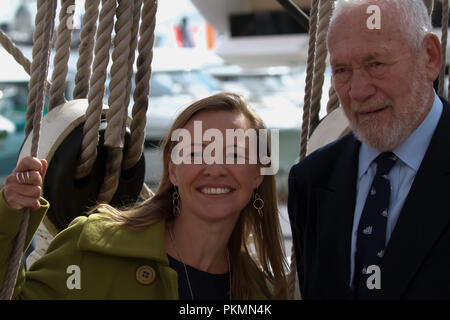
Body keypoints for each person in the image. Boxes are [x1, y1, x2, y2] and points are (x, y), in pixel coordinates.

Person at [0, 92, 288, 299]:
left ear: (257, 174)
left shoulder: (263, 291)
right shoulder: (93, 246)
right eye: (197, 152)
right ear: (173, 170)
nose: (214, 169)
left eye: (234, 153)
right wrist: (8, 215)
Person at [288, 0, 450, 299]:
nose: (358, 91)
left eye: (375, 64)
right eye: (342, 69)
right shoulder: (310, 181)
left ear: (429, 56)